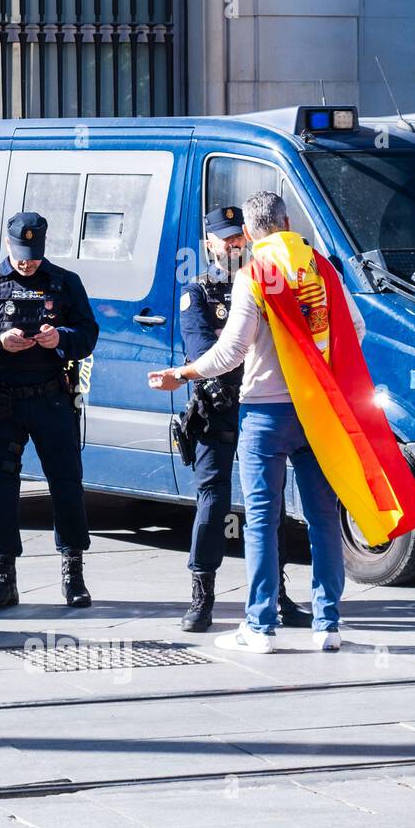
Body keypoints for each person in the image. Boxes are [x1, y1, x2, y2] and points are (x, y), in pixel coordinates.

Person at [147, 190, 415, 653]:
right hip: (318, 411)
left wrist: (183, 373)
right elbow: (354, 329)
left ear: (254, 231)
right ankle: (328, 626)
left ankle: (258, 627)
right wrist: (316, 360)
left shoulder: (255, 273)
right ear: (287, 220)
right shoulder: (321, 267)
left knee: (260, 518)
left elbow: (231, 352)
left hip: (266, 411)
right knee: (321, 517)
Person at [0, 212, 99, 610]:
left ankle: (74, 573)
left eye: (33, 255)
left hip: (51, 397)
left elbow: (88, 335)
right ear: (7, 244)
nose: (26, 262)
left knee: (66, 483)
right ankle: (4, 577)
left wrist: (60, 339)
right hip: (2, 399)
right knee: (2, 484)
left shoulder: (65, 283)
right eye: (20, 254)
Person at [176, 206, 312, 632]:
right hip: (219, 407)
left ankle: (277, 595)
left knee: (269, 507)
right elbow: (203, 351)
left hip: (265, 404)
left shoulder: (269, 279)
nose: (235, 245)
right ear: (209, 244)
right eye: (226, 239)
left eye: (240, 237)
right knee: (213, 501)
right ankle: (202, 594)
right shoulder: (198, 291)